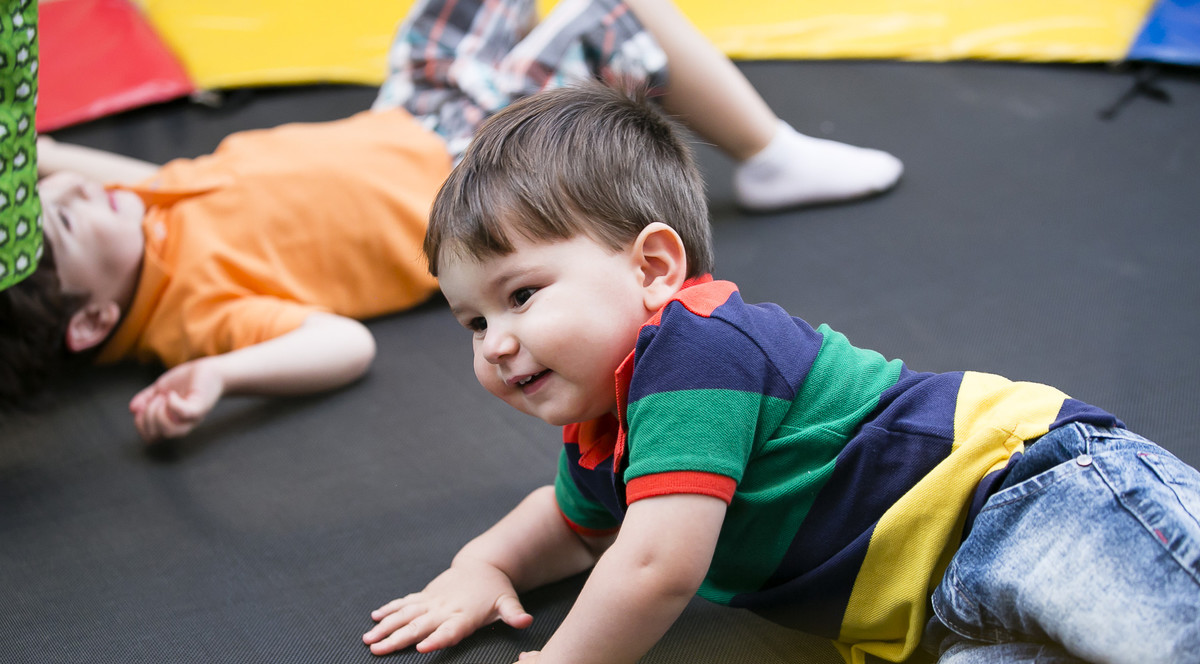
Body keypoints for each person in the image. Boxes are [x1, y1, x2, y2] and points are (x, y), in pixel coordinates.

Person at [361, 82, 1200, 664]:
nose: (496, 342)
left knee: (1178, 657)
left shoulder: (694, 347)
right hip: (956, 618)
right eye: (472, 321)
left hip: (1027, 500)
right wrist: (489, 563)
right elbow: (577, 525)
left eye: (522, 294)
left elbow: (655, 566)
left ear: (654, 270)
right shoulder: (606, 434)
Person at [0, 0, 902, 443]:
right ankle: (769, 150)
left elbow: (67, 169)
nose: (82, 196)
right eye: (70, 224)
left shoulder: (143, 212)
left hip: (414, 107)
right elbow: (336, 344)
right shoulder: (191, 309)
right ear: (91, 319)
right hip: (477, 165)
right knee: (618, 8)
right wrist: (219, 374)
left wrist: (28, 154)